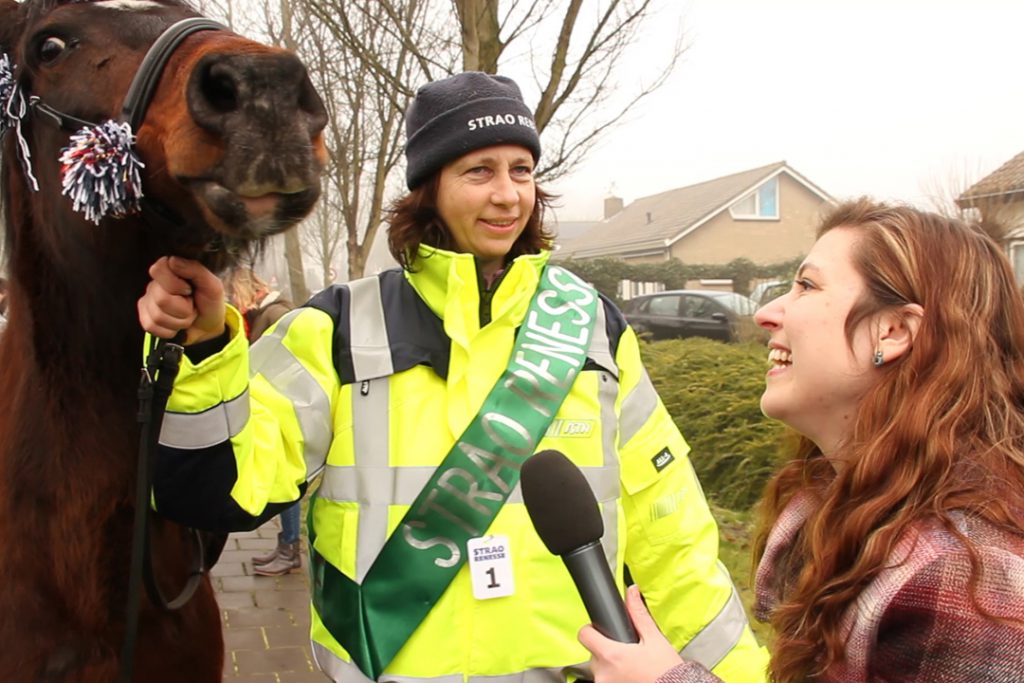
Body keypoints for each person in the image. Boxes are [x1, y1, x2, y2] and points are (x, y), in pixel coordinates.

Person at [136, 71, 768, 682]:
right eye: (478, 171)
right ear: (428, 189)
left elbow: (671, 531)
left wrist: (733, 677)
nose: (508, 194)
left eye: (522, 170)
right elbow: (221, 491)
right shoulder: (336, 326)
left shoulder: (592, 328)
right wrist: (205, 349)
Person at [580, 199, 1024, 682]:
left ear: (893, 331)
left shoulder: (969, 575)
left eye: (808, 286)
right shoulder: (850, 516)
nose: (768, 314)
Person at [224, 267, 301, 576]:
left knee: (286, 484)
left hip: (285, 409)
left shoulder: (277, 314)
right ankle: (286, 544)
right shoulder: (266, 315)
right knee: (280, 481)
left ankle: (291, 548)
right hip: (276, 406)